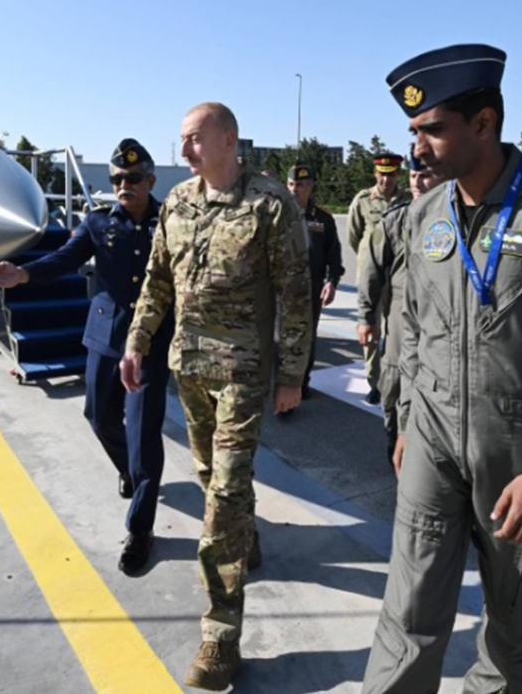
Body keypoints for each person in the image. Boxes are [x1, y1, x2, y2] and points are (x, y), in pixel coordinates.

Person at [361, 44, 522, 694]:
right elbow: (412, 331)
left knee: (508, 636)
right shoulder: (424, 216)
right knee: (407, 617)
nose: (418, 148)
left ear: (484, 124)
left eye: (432, 130)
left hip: (521, 455)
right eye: (414, 132)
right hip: (429, 440)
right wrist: (401, 420)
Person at [121, 102, 311, 691]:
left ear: (228, 141)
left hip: (244, 374)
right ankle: (245, 535)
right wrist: (137, 341)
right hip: (189, 368)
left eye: (194, 140)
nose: (183, 152)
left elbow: (296, 293)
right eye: (181, 141)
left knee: (224, 493)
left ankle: (220, 634)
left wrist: (291, 375)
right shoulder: (177, 203)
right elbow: (157, 279)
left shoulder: (269, 204)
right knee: (209, 475)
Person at [0, 138, 172, 577]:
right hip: (106, 338)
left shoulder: (172, 222)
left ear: (151, 181)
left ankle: (140, 529)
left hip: (153, 343)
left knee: (144, 433)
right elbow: (64, 259)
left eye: (134, 178)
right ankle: (131, 470)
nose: (125, 184)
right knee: (98, 417)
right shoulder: (99, 222)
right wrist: (24, 273)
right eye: (118, 178)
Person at [356, 153, 439, 462]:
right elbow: (372, 271)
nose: (418, 182)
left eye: (426, 176)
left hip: (439, 325)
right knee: (391, 388)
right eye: (415, 176)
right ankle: (395, 449)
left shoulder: (456, 218)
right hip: (400, 323)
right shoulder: (396, 219)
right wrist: (367, 317)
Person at [348, 154, 412, 404]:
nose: (386, 179)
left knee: (394, 329)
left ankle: (391, 377)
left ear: (399, 175)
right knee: (370, 329)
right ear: (375, 174)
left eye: (391, 174)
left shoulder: (407, 200)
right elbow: (355, 237)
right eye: (382, 174)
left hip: (397, 277)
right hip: (371, 278)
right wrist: (369, 262)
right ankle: (374, 380)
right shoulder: (363, 200)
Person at [287, 164, 344, 399]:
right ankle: (281, 382)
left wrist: (332, 281)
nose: (294, 189)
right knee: (280, 338)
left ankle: (301, 382)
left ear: (310, 187)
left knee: (307, 337)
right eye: (290, 184)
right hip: (281, 289)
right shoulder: (276, 216)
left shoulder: (323, 219)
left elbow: (334, 254)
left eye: (299, 185)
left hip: (311, 288)